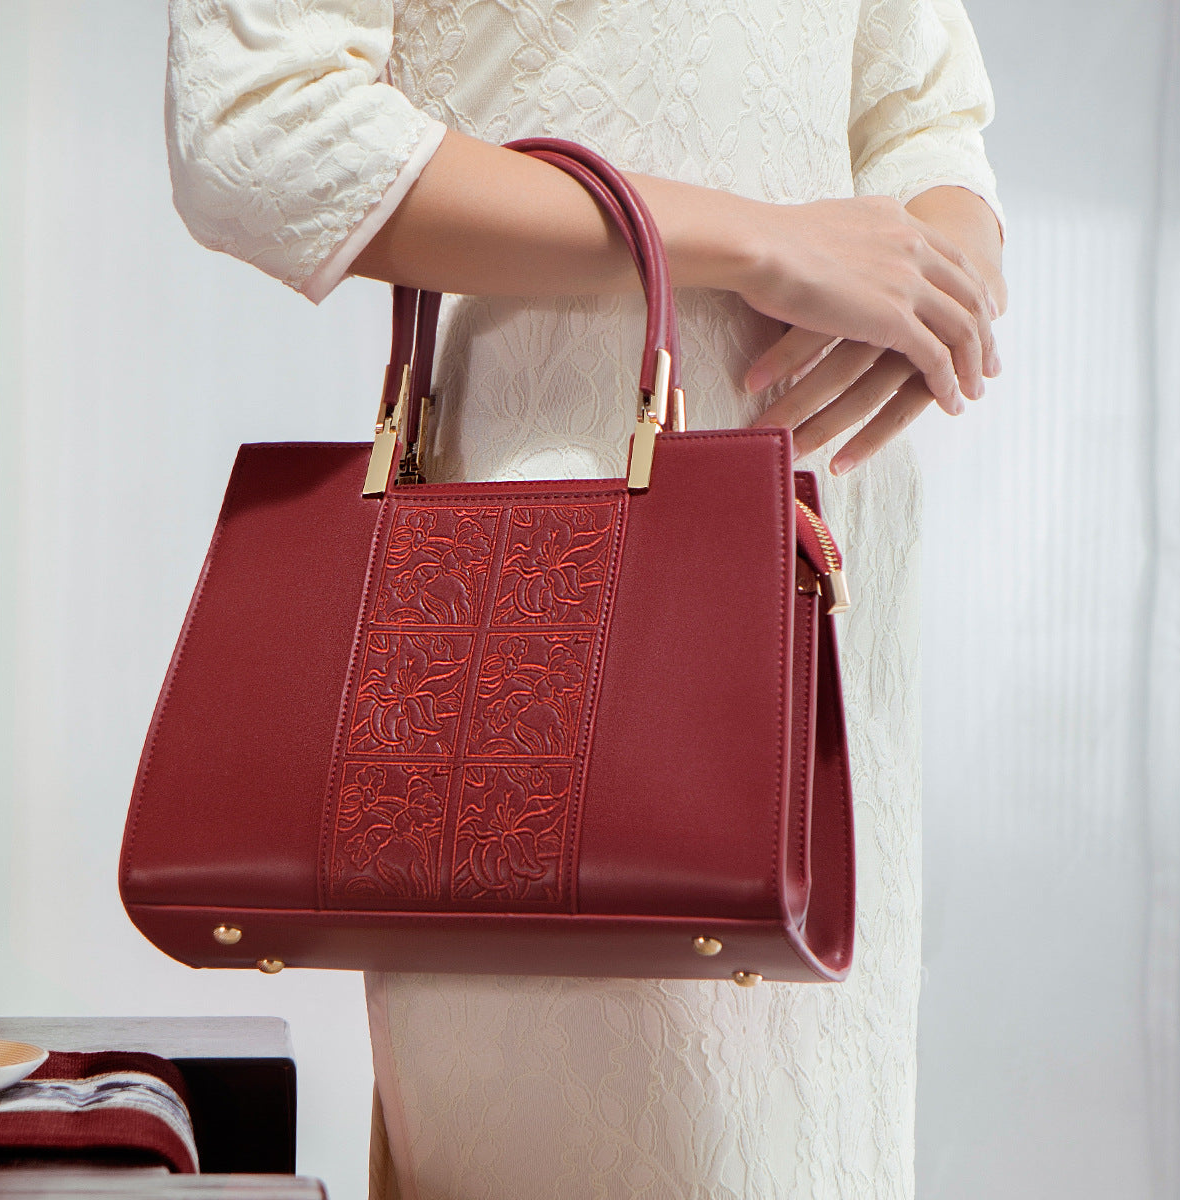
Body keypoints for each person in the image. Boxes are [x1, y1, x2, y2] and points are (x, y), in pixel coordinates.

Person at [166, 0, 1005, 1195]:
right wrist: (757, 242)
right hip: (546, 602)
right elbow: (260, 125)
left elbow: (922, 108)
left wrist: (944, 280)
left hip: (825, 566)